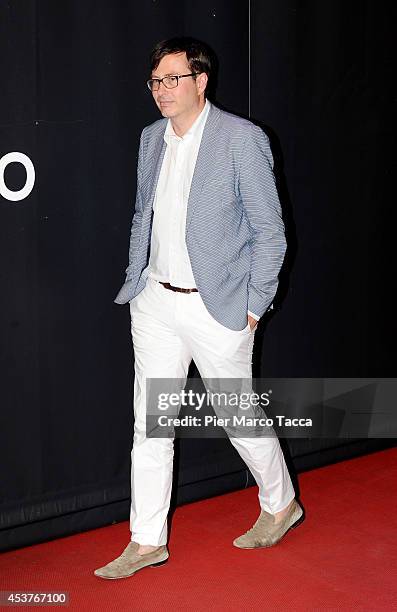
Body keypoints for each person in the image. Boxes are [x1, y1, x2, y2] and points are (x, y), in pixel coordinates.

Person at [94, 36, 304, 580]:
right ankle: (146, 541)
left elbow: (270, 231)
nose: (161, 91)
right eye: (155, 81)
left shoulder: (241, 139)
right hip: (155, 304)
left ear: (200, 80)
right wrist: (135, 281)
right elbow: (145, 213)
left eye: (172, 79)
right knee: (150, 425)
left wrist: (255, 305)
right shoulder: (149, 140)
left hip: (220, 307)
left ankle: (280, 503)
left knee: (238, 417)